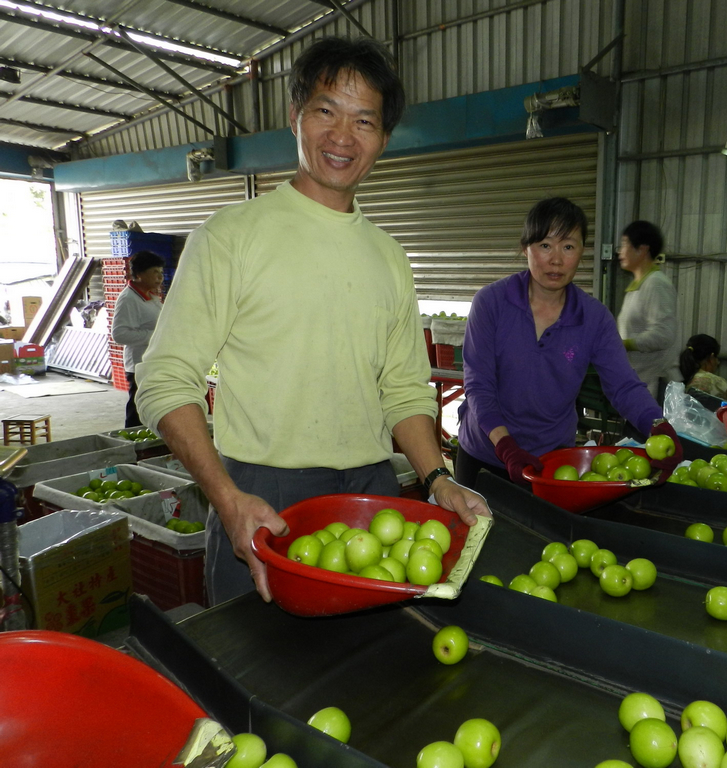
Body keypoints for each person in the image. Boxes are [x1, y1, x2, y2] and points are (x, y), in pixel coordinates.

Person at [135, 36, 488, 606]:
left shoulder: (389, 257)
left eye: (364, 121)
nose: (343, 136)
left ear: (383, 139)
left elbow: (403, 390)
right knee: (253, 672)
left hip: (373, 493)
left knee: (367, 676)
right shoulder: (230, 236)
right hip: (264, 495)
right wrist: (227, 498)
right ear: (295, 116)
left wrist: (437, 479)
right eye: (326, 111)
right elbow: (165, 377)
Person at [455, 197, 683, 490]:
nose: (556, 259)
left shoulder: (594, 318)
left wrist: (657, 426)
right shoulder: (491, 303)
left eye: (568, 246)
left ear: (581, 252)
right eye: (545, 245)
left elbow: (623, 386)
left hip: (551, 462)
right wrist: (505, 445)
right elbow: (479, 385)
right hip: (486, 454)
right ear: (526, 247)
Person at [616, 220, 681, 397]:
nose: (620, 252)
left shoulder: (656, 284)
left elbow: (664, 334)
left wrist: (625, 344)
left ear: (642, 249)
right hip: (640, 382)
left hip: (657, 385)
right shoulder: (637, 287)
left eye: (624, 245)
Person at [110, 250, 164, 428]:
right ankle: (133, 449)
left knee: (152, 409)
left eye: (161, 272)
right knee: (137, 413)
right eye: (154, 272)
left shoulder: (150, 296)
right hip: (139, 365)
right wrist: (155, 337)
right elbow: (119, 334)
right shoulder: (128, 299)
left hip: (153, 362)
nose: (159, 277)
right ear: (139, 274)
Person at [680, 334, 727, 403]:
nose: (718, 362)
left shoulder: (678, 379)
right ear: (711, 357)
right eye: (716, 358)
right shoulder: (718, 383)